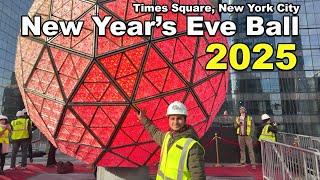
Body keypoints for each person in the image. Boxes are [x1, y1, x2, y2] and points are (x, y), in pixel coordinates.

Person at [137, 101, 205, 180]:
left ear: (185, 120)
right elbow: (155, 132)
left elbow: (198, 176)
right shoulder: (167, 137)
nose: (175, 122)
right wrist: (143, 119)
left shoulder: (192, 146)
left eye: (179, 118)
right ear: (168, 120)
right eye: (172, 118)